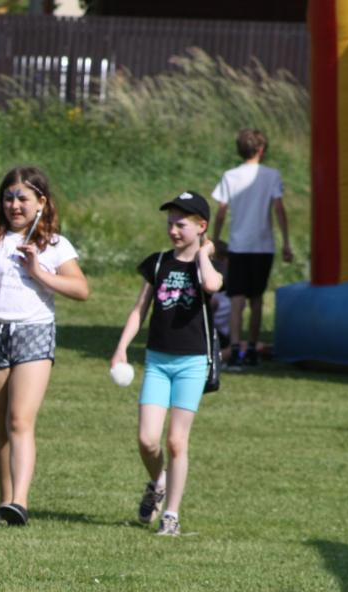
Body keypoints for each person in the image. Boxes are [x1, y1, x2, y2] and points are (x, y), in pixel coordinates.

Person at [0, 166, 89, 526]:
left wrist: (39, 272)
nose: (14, 205)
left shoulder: (55, 245)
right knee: (1, 424)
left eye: (22, 198)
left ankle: (20, 501)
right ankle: (5, 501)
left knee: (19, 420)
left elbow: (81, 289)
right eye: (8, 197)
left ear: (41, 202)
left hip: (34, 332)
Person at [111, 192, 223, 537]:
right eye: (170, 223)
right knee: (147, 440)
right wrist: (121, 348)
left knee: (176, 441)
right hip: (158, 361)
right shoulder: (158, 263)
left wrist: (203, 253)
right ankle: (157, 481)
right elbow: (139, 310)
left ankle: (171, 515)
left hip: (192, 362)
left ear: (201, 226)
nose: (173, 230)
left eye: (181, 224)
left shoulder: (205, 265)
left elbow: (212, 285)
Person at [211, 128, 293, 370]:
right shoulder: (271, 175)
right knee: (256, 298)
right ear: (261, 149)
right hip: (262, 246)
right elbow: (278, 208)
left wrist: (215, 238)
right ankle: (253, 348)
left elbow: (222, 211)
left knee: (236, 297)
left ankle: (236, 346)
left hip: (239, 245)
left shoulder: (230, 176)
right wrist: (286, 241)